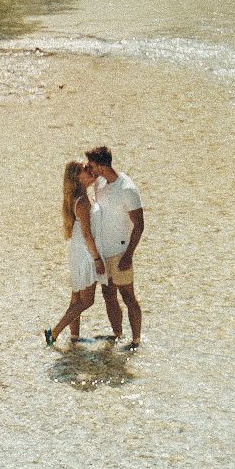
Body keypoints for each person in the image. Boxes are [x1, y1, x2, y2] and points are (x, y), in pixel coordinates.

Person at [83, 146, 144, 348]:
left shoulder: (126, 189)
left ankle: (136, 340)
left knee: (128, 297)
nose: (89, 168)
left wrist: (129, 255)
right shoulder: (99, 183)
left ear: (101, 166)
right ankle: (117, 335)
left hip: (120, 252)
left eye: (92, 165)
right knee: (108, 296)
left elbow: (139, 225)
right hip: (103, 251)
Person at [45, 159, 104, 347]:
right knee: (87, 301)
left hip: (77, 250)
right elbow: (87, 234)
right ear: (77, 178)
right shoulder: (83, 202)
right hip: (85, 252)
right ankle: (54, 332)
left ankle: (74, 338)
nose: (89, 171)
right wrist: (97, 259)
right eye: (85, 170)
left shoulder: (78, 198)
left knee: (76, 299)